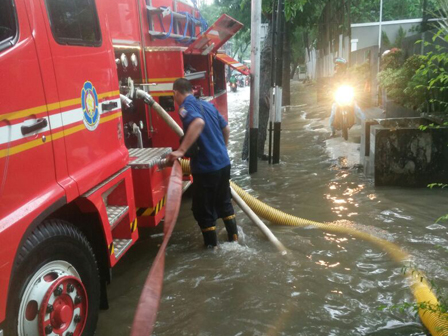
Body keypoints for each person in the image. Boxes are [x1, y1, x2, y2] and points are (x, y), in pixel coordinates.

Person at [167, 78, 238, 248]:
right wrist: (221, 150)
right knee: (224, 203)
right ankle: (234, 242)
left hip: (206, 168)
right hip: (223, 164)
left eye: (174, 96)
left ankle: (211, 250)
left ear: (176, 92)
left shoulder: (186, 107)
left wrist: (181, 151)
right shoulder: (208, 105)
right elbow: (226, 129)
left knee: (202, 209)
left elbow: (198, 122)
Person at [329, 57, 365, 137]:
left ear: (343, 67)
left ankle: (367, 126)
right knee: (333, 113)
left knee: (358, 110)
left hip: (349, 96)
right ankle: (332, 130)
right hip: (338, 97)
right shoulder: (334, 77)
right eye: (336, 65)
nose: (337, 67)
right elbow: (330, 86)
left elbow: (355, 83)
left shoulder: (349, 75)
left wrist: (357, 87)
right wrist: (329, 90)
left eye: (339, 65)